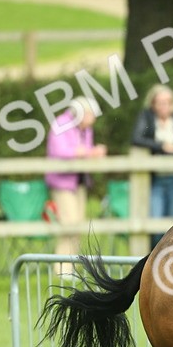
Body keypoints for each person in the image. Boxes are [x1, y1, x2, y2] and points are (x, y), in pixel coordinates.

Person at [47, 95, 108, 270]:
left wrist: (93, 153)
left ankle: (71, 266)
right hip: (62, 183)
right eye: (90, 114)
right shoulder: (61, 124)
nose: (93, 119)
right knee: (69, 224)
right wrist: (85, 152)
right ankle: (62, 269)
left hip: (79, 182)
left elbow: (85, 151)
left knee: (79, 225)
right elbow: (60, 151)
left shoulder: (85, 129)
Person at [131, 84, 173, 245]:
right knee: (155, 224)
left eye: (167, 102)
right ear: (153, 104)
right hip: (156, 179)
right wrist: (162, 147)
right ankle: (154, 257)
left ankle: (170, 258)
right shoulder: (147, 117)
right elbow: (136, 138)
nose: (164, 106)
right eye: (160, 102)